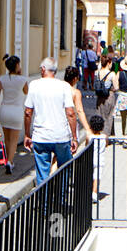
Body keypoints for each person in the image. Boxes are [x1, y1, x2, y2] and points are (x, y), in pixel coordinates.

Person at [23, 57, 77, 186]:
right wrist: (74, 137)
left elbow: (28, 112)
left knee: (42, 173)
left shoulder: (34, 85)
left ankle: (45, 204)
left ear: (43, 69)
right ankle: (61, 200)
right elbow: (70, 113)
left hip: (41, 136)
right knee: (64, 169)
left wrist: (27, 134)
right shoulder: (64, 86)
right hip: (61, 136)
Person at [0, 54, 29, 175]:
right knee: (14, 140)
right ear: (17, 65)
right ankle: (10, 161)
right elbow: (26, 92)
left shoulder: (2, 79)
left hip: (4, 110)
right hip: (16, 111)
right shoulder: (22, 80)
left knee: (7, 138)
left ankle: (8, 159)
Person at [94, 52, 119, 136]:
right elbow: (116, 87)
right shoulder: (112, 74)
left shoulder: (97, 72)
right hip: (109, 96)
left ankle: (99, 133)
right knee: (109, 116)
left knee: (100, 115)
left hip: (99, 96)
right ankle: (106, 136)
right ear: (109, 63)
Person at [84, 113, 107, 203]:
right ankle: (94, 193)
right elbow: (106, 144)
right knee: (97, 177)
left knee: (90, 176)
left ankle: (88, 191)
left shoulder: (89, 137)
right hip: (100, 159)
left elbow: (86, 146)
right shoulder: (104, 137)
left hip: (90, 159)